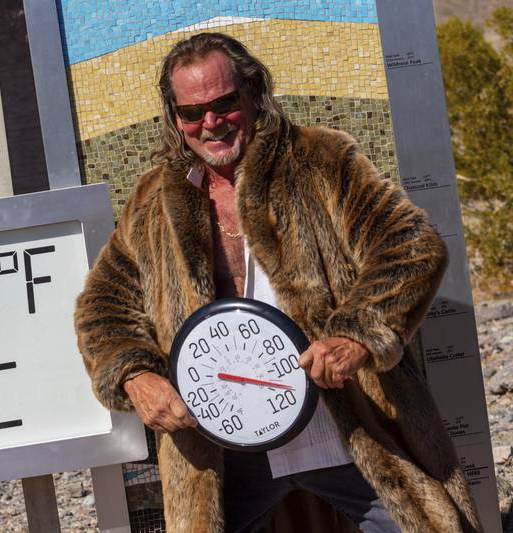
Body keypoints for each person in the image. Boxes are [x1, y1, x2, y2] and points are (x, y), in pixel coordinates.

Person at [74, 32, 481, 533]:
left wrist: (356, 335)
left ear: (253, 92)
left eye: (224, 103)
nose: (211, 123)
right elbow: (102, 307)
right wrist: (135, 375)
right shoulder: (154, 203)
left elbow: (412, 245)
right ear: (174, 119)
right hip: (222, 449)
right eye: (192, 113)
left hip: (348, 422)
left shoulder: (320, 160)